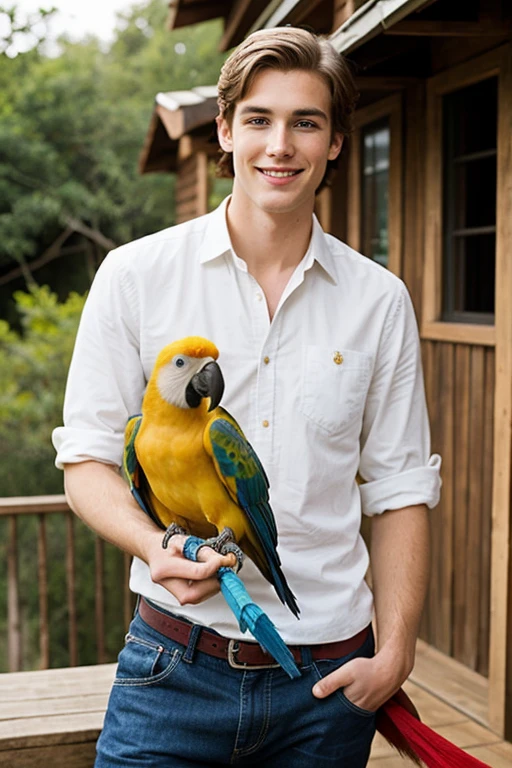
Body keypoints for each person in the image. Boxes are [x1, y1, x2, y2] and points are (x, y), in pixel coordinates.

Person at [53, 26, 441, 768]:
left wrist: (395, 653)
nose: (280, 145)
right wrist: (153, 546)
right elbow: (87, 463)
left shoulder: (379, 301)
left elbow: (398, 492)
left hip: (328, 683)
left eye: (307, 122)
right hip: (173, 664)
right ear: (224, 130)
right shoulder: (134, 277)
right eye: (259, 119)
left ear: (334, 143)